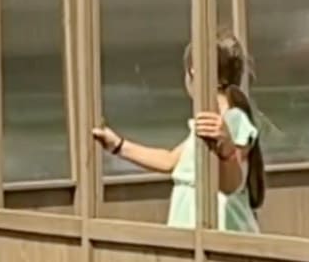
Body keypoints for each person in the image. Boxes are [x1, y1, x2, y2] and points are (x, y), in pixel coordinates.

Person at [92, 32, 264, 232]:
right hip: (191, 230)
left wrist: (225, 149)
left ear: (193, 72)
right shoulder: (205, 124)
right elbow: (170, 160)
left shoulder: (234, 120)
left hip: (221, 233)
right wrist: (118, 145)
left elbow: (232, 182)